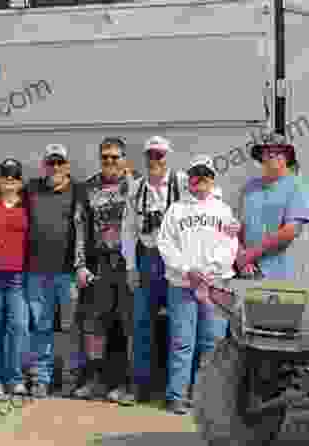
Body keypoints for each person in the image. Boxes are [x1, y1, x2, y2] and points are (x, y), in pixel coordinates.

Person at [156, 156, 238, 414]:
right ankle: (177, 395)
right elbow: (165, 244)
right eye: (196, 173)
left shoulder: (224, 210)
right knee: (181, 341)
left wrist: (208, 270)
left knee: (212, 344)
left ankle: (206, 399)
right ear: (188, 178)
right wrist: (187, 269)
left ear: (213, 179)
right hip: (182, 285)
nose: (201, 178)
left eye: (206, 174)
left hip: (216, 286)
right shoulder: (175, 210)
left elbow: (231, 245)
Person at [121, 136, 187, 404]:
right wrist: (130, 267)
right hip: (148, 259)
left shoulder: (182, 183)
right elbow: (128, 230)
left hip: (177, 261)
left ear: (168, 157)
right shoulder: (136, 188)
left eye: (159, 155)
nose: (155, 160)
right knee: (141, 325)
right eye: (150, 155)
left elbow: (209, 200)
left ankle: (178, 392)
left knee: (180, 328)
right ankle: (140, 387)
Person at [72, 136, 135, 404]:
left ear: (124, 159)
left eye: (115, 156)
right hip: (99, 263)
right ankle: (94, 379)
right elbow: (80, 228)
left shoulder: (135, 185)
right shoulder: (88, 188)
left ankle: (123, 384)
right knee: (96, 325)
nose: (110, 161)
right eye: (105, 157)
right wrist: (81, 264)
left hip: (127, 264)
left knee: (125, 324)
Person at [25, 144, 78, 398]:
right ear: (44, 165)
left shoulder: (79, 191)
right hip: (36, 272)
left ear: (67, 166)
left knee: (71, 328)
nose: (55, 167)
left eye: (60, 163)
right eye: (51, 163)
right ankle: (41, 379)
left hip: (68, 273)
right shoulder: (31, 189)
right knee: (41, 327)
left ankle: (71, 378)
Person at [0, 158, 29, 397]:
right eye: (5, 176)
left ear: (20, 182)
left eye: (14, 176)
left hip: (19, 277)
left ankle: (17, 378)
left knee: (18, 327)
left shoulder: (27, 206)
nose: (9, 180)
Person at [234, 132, 309, 280]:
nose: (271, 155)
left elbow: (291, 230)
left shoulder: (297, 185)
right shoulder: (249, 187)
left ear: (287, 156)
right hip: (248, 275)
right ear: (261, 157)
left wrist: (250, 254)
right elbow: (237, 230)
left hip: (283, 277)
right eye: (267, 151)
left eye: (277, 152)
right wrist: (240, 258)